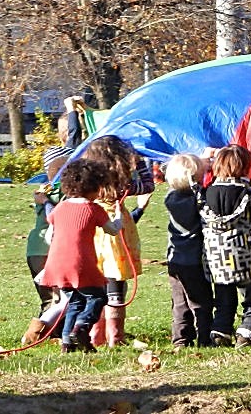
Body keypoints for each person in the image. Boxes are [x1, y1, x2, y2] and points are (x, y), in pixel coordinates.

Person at [40, 158, 129, 353]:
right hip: (80, 263)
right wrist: (119, 217)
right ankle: (81, 327)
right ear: (94, 187)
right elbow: (113, 231)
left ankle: (67, 342)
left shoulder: (60, 208)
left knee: (75, 301)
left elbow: (49, 237)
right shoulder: (93, 209)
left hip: (57, 264)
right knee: (97, 297)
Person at [81, 135, 154, 346]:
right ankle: (116, 337)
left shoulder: (91, 186)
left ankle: (96, 335)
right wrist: (139, 162)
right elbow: (148, 185)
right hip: (118, 234)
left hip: (95, 235)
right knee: (116, 287)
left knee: (96, 286)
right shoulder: (124, 184)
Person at [201, 145, 251, 348]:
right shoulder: (247, 192)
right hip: (242, 256)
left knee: (224, 298)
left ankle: (220, 331)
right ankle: (248, 333)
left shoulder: (207, 192)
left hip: (216, 258)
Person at [20, 146, 73, 345]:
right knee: (56, 297)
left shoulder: (45, 189)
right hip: (49, 249)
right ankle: (41, 335)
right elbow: (59, 216)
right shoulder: (61, 190)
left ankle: (51, 333)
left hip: (35, 248)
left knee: (52, 297)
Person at [164, 154, 214, 348]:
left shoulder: (170, 197)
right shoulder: (196, 200)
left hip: (174, 260)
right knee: (201, 301)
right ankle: (204, 336)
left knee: (179, 302)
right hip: (194, 260)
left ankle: (181, 338)